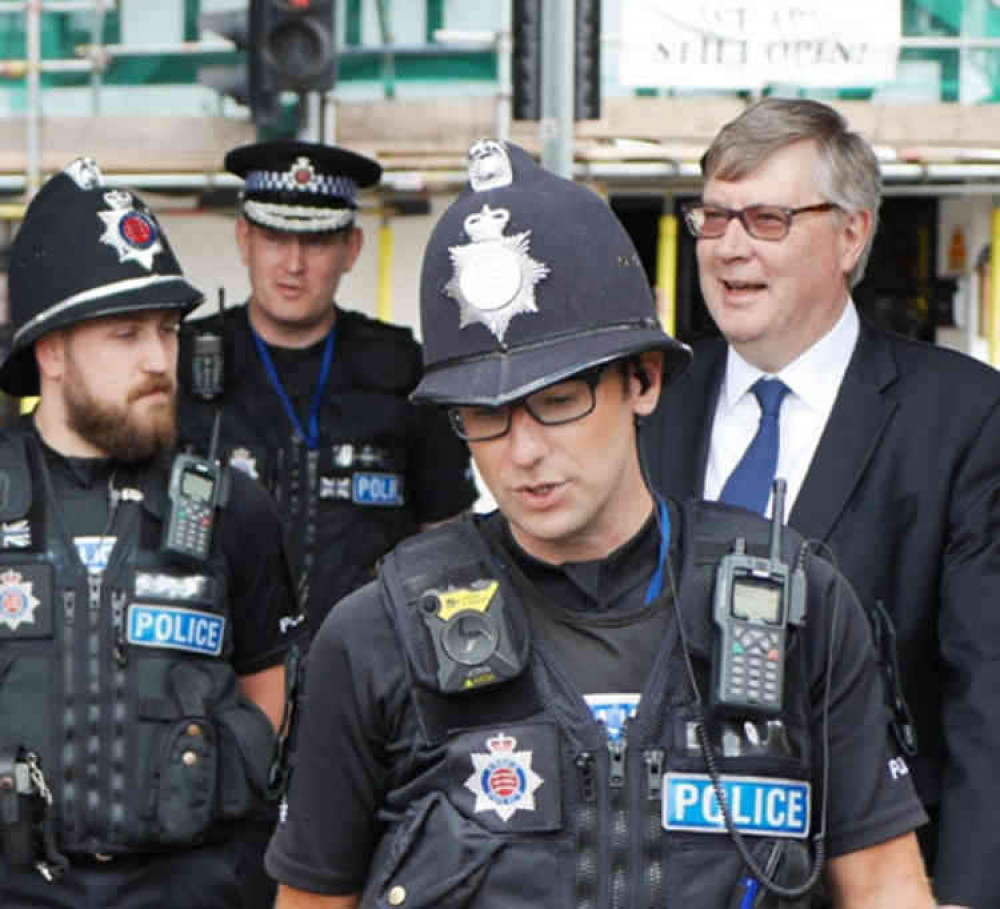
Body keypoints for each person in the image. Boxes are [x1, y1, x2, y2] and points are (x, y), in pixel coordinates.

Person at [264, 138, 934, 909]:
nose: (522, 452)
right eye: (484, 417)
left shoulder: (797, 607)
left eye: (557, 402)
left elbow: (885, 885)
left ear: (642, 381)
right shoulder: (376, 635)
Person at [641, 97, 1000, 909]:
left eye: (767, 218)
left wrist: (969, 893)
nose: (729, 246)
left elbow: (989, 684)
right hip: (662, 870)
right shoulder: (648, 401)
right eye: (715, 216)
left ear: (851, 234)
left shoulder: (964, 417)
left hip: (872, 871)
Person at [0, 159, 306, 908]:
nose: (157, 359)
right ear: (52, 352)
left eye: (167, 331)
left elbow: (269, 687)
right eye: (125, 333)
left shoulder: (235, 507)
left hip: (190, 886)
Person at [177, 139, 479, 638]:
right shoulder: (180, 365)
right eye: (275, 238)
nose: (293, 264)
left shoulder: (404, 370)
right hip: (213, 672)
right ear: (243, 239)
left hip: (368, 673)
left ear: (351, 249)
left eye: (316, 242)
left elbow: (447, 538)